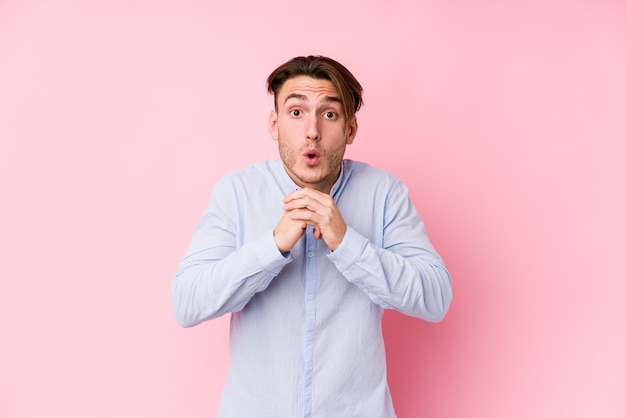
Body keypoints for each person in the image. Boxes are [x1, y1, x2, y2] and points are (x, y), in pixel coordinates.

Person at [171, 55, 452, 418]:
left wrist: (347, 243)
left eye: (330, 114)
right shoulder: (237, 192)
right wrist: (272, 245)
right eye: (296, 112)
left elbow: (435, 297)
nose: (312, 131)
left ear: (350, 129)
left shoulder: (385, 194)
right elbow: (187, 302)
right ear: (274, 124)